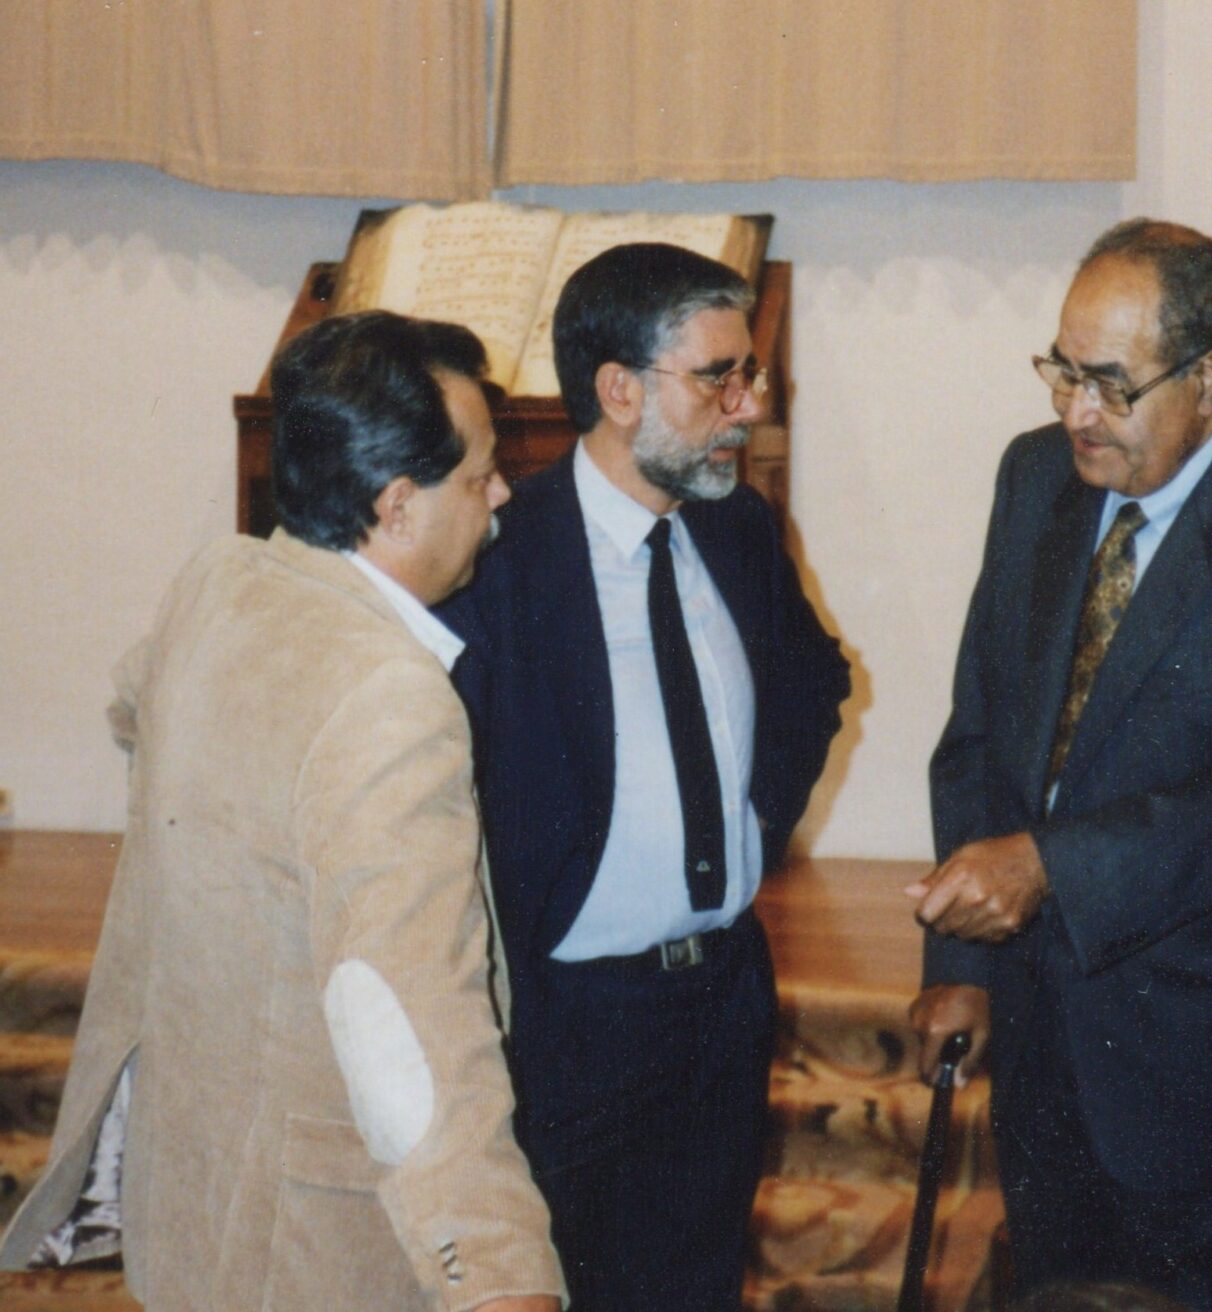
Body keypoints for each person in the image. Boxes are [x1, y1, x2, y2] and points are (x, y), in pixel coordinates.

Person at [0, 312, 564, 1310]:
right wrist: (496, 1275)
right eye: (478, 476)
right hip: (311, 1244)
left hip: (189, 1198)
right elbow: (409, 1023)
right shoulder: (389, 696)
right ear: (396, 505)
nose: (502, 494)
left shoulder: (219, 583)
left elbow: (135, 701)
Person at [908, 219, 1212, 1311]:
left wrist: (1048, 868)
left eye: (1111, 385)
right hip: (1045, 1056)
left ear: (1211, 377)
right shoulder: (1036, 477)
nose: (1077, 412)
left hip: (1208, 1081)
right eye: (1063, 372)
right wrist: (963, 961)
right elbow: (985, 727)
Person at [441, 243, 850, 1311]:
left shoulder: (738, 527)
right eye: (719, 375)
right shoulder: (502, 559)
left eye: (749, 373)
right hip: (568, 1016)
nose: (748, 404)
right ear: (619, 390)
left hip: (718, 1000)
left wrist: (752, 825)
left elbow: (814, 683)